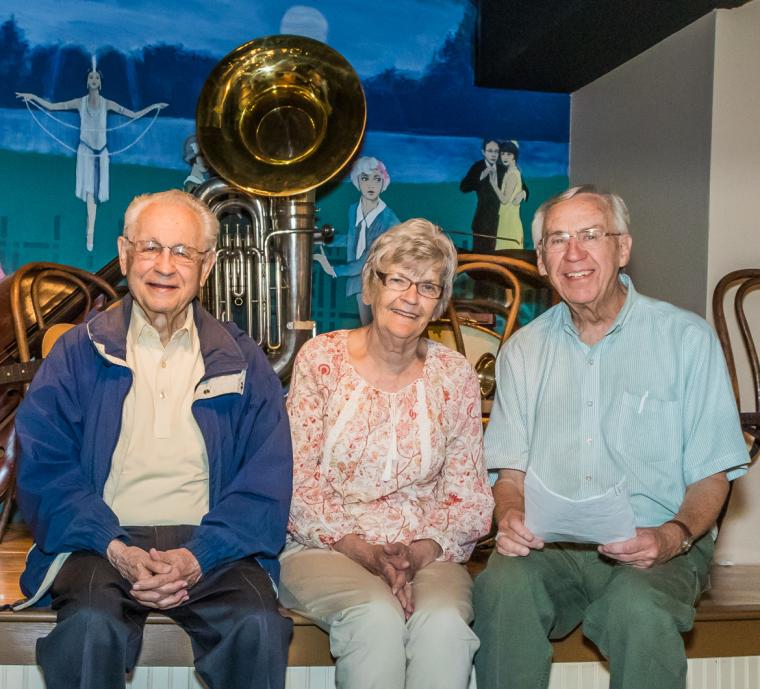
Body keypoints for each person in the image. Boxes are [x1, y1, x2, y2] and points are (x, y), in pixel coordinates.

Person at [14, 189, 293, 689]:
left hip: (213, 545)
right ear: (124, 255)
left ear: (205, 268)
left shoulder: (244, 361)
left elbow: (265, 484)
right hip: (101, 541)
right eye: (150, 248)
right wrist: (114, 546)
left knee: (260, 628)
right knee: (88, 629)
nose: (165, 265)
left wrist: (196, 556)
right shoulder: (77, 353)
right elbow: (44, 470)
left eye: (183, 252)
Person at [473, 185, 749, 689]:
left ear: (622, 248)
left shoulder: (687, 340)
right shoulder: (522, 352)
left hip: (659, 541)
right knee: (499, 588)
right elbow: (508, 474)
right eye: (557, 240)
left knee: (637, 609)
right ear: (540, 260)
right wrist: (509, 516)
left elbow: (713, 475)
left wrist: (672, 536)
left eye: (590, 235)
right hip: (551, 547)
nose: (573, 254)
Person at [280, 219, 494, 689]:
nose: (409, 296)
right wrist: (365, 551)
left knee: (443, 628)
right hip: (327, 545)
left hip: (428, 551)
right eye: (397, 279)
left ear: (440, 302)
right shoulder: (321, 359)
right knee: (375, 617)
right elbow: (296, 482)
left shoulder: (455, 376)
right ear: (372, 286)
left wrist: (415, 556)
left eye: (427, 286)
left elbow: (468, 494)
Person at [16, 63, 167, 251]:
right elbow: (53, 107)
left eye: (97, 78)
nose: (94, 80)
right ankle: (90, 236)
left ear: (100, 83)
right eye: (91, 78)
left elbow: (133, 115)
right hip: (86, 152)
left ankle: (96, 235)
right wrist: (32, 98)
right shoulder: (80, 102)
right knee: (89, 196)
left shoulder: (107, 104)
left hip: (101, 153)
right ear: (87, 82)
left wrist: (154, 107)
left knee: (97, 195)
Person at [330, 156, 400, 325]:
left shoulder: (388, 221)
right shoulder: (354, 209)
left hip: (381, 282)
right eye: (365, 178)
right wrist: (325, 240)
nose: (371, 184)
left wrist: (335, 270)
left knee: (374, 329)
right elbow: (354, 237)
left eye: (377, 179)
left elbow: (368, 258)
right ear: (357, 182)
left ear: (383, 183)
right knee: (365, 328)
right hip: (359, 282)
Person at [460, 138, 527, 254]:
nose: (493, 154)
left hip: (501, 222)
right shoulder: (478, 167)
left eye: (496, 151)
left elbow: (522, 185)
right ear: (483, 152)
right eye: (490, 151)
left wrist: (523, 193)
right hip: (483, 222)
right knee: (481, 260)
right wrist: (481, 176)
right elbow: (464, 187)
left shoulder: (504, 168)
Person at [491, 140, 524, 249]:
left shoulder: (512, 175)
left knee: (507, 251)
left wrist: (494, 185)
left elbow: (504, 200)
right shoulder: (511, 172)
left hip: (509, 221)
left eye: (508, 154)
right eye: (503, 154)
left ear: (514, 156)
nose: (504, 157)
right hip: (507, 218)